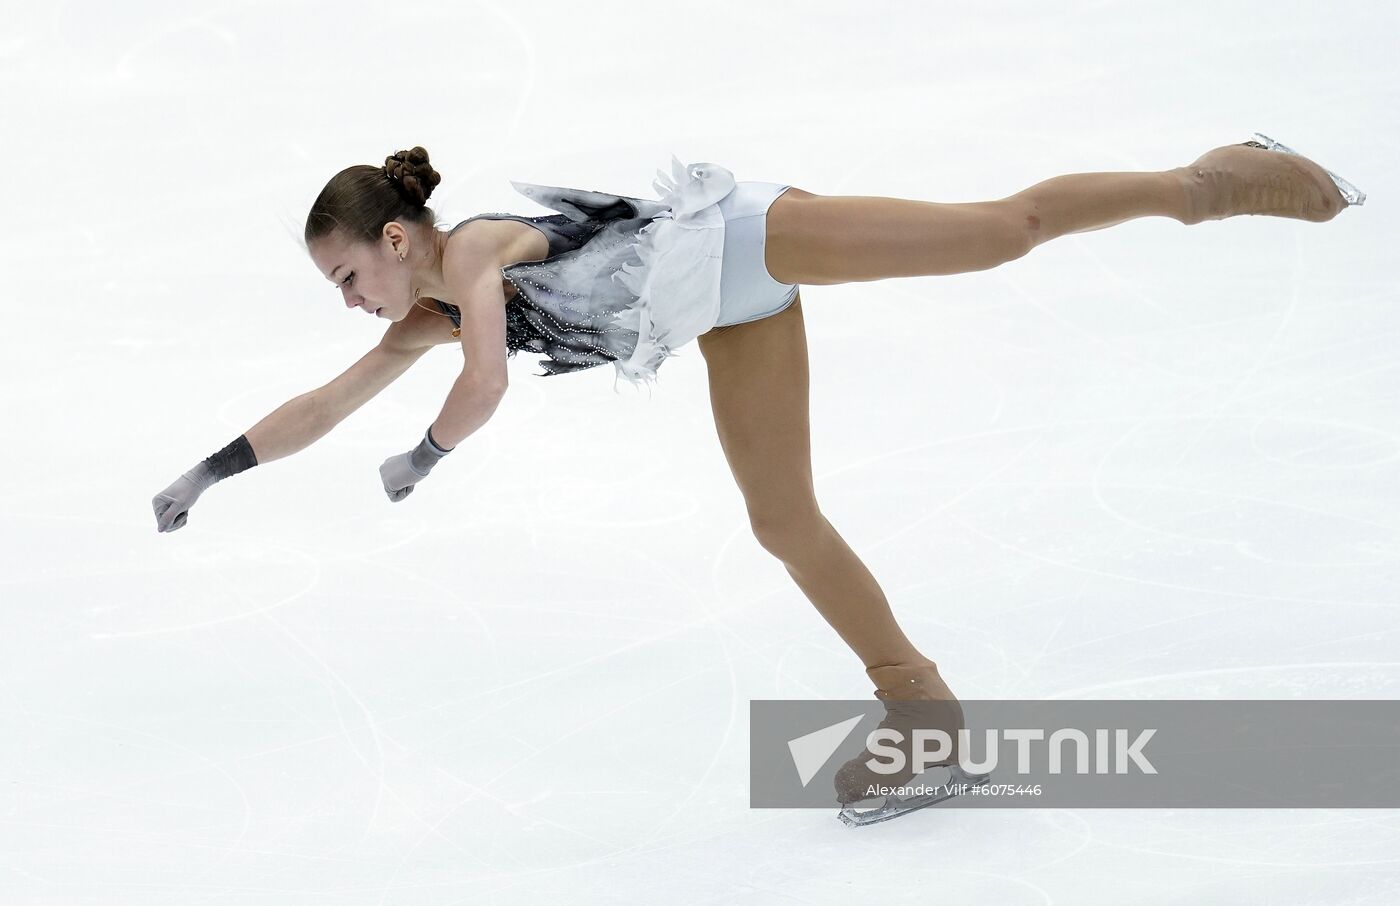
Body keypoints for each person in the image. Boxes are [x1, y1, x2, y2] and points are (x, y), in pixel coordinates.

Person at [152, 138, 1362, 804]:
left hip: (745, 237)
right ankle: (922, 709)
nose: (351, 304)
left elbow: (483, 386)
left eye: (348, 277)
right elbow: (324, 402)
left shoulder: (471, 264)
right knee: (784, 522)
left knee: (996, 232)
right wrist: (209, 474)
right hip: (728, 316)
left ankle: (1203, 184)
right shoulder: (421, 312)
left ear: (396, 238)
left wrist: (421, 458)